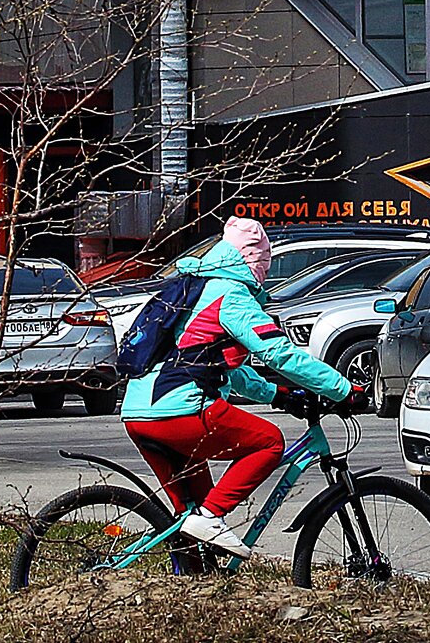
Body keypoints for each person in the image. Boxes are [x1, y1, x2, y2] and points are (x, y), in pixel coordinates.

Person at [120, 216, 364, 559]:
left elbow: (220, 370)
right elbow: (279, 353)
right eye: (266, 262)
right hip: (181, 409)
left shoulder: (196, 288)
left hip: (138, 412)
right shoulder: (231, 296)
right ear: (255, 262)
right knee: (268, 442)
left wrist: (277, 395)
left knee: (190, 522)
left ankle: (192, 578)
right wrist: (342, 389)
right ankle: (210, 518)